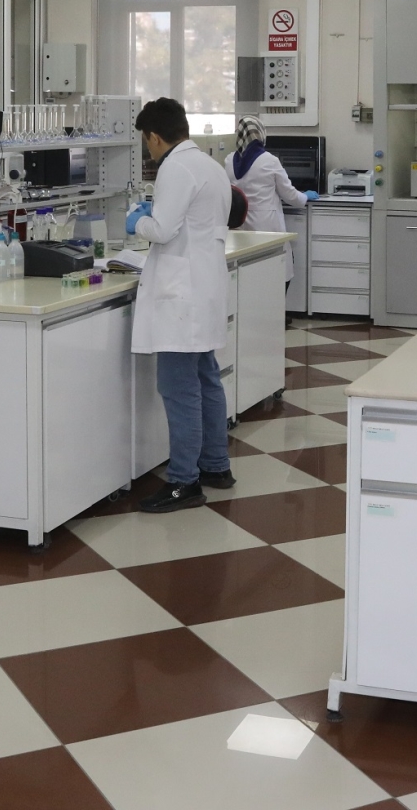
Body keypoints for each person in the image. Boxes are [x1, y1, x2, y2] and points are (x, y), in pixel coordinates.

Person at [127, 97, 233, 512]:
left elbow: (163, 230)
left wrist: (137, 220)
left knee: (178, 388)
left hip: (181, 297)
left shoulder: (174, 168)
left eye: (146, 141)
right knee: (206, 378)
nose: (148, 149)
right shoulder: (209, 164)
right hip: (203, 286)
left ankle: (184, 481)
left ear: (155, 137)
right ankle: (216, 466)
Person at [229, 115, 316, 285]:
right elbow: (290, 195)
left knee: (249, 273)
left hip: (241, 226)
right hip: (267, 225)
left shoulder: (229, 161)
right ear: (260, 133)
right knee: (277, 270)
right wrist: (305, 196)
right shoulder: (269, 160)